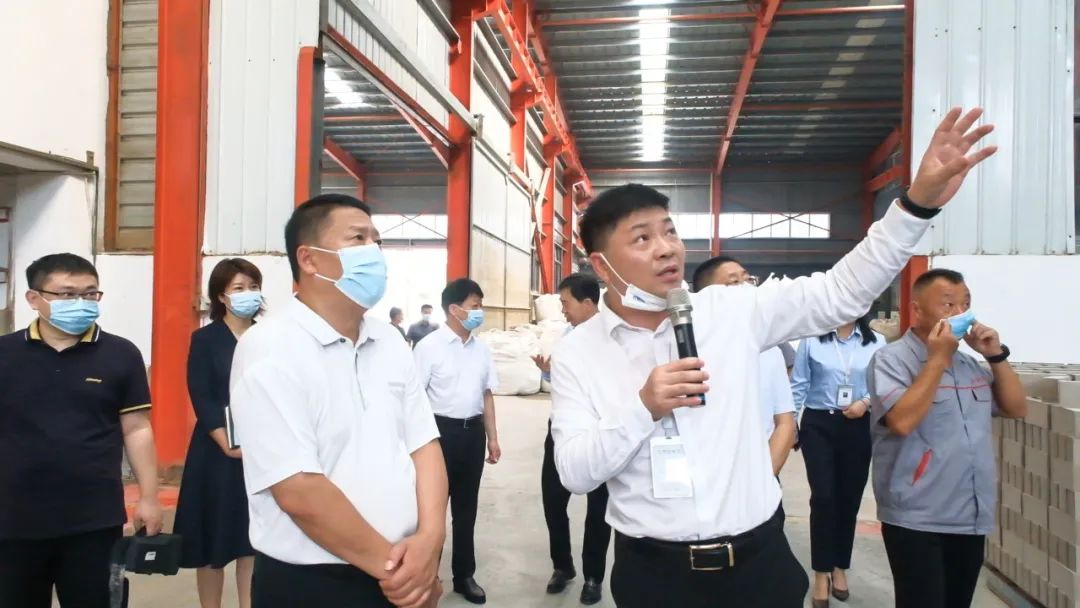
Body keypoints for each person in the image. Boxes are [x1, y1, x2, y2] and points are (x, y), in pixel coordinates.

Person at [548, 107, 997, 608]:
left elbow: (841, 292)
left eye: (669, 231)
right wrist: (643, 408)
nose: (667, 248)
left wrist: (915, 206)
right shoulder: (578, 354)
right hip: (654, 575)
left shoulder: (733, 311)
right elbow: (575, 473)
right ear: (601, 265)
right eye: (642, 238)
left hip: (759, 567)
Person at [230, 194, 448, 608]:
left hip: (406, 566)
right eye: (358, 238)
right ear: (309, 259)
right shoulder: (269, 347)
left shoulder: (389, 341)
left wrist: (431, 541)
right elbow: (298, 490)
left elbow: (424, 445)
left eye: (377, 240)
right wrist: (402, 577)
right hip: (314, 584)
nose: (374, 251)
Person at [0, 253, 163, 607]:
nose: (81, 303)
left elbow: (136, 429)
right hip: (13, 521)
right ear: (34, 298)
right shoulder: (5, 354)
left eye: (90, 294)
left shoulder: (121, 354)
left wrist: (149, 497)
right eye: (67, 294)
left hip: (94, 521)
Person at [868, 269, 1027, 608]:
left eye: (965, 304)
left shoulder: (969, 365)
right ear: (917, 309)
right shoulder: (891, 360)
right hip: (917, 516)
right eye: (948, 304)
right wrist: (936, 360)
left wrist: (995, 355)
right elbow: (902, 422)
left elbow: (1016, 408)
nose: (959, 313)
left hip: (969, 514)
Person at [174, 258, 263, 608]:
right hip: (216, 450)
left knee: (252, 541)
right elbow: (202, 394)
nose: (248, 294)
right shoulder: (205, 339)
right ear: (222, 297)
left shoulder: (269, 337)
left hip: (261, 449)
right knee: (213, 539)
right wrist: (223, 440)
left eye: (253, 287)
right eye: (239, 288)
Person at [789, 313, 886, 606]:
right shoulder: (812, 339)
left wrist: (865, 403)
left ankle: (839, 566)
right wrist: (790, 424)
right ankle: (821, 572)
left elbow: (882, 384)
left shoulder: (876, 342)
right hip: (819, 423)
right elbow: (799, 383)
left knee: (849, 498)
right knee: (823, 498)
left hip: (858, 423)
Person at [413, 279, 500, 605]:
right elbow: (415, 400)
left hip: (473, 434)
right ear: (454, 309)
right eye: (475, 306)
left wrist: (492, 438)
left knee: (466, 510)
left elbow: (487, 395)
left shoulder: (481, 350)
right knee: (431, 512)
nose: (480, 312)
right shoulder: (428, 348)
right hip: (438, 436)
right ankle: (427, 577)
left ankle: (464, 576)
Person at [531, 273, 610, 605]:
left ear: (588, 303)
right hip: (560, 430)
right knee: (553, 501)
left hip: (599, 432)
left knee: (599, 509)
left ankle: (593, 576)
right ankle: (562, 566)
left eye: (565, 303)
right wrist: (548, 371)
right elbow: (565, 381)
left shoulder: (612, 339)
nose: (562, 309)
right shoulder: (567, 336)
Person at [693, 256, 797, 475]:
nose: (746, 288)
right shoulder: (692, 351)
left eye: (748, 280)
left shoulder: (769, 350)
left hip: (759, 474)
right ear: (706, 296)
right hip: (708, 474)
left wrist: (764, 478)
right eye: (734, 282)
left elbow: (785, 421)